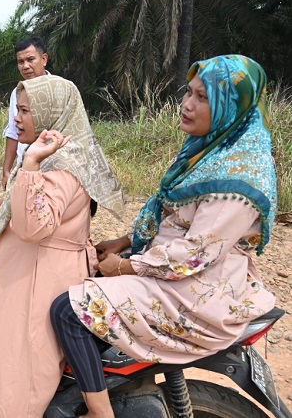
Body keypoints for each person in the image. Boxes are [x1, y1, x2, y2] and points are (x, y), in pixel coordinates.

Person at [50, 55, 278, 418]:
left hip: (196, 290)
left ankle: (99, 412)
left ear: (229, 105)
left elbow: (194, 252)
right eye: (189, 93)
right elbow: (172, 213)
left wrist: (124, 266)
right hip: (184, 274)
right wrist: (124, 242)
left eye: (203, 98)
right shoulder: (212, 149)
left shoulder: (239, 179)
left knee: (66, 310)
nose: (187, 104)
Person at [0, 75, 125, 417]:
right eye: (18, 109)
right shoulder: (61, 154)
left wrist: (29, 166)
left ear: (50, 112)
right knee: (1, 357)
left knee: (12, 371)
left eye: (26, 111)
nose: (17, 118)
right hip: (34, 271)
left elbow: (33, 226)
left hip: (36, 280)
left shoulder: (60, 166)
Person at [1, 36, 51, 188]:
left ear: (44, 59)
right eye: (20, 62)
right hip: (24, 166)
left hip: (51, 167)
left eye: (30, 59)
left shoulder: (59, 90)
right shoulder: (17, 92)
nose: (25, 66)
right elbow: (13, 132)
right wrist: (6, 169)